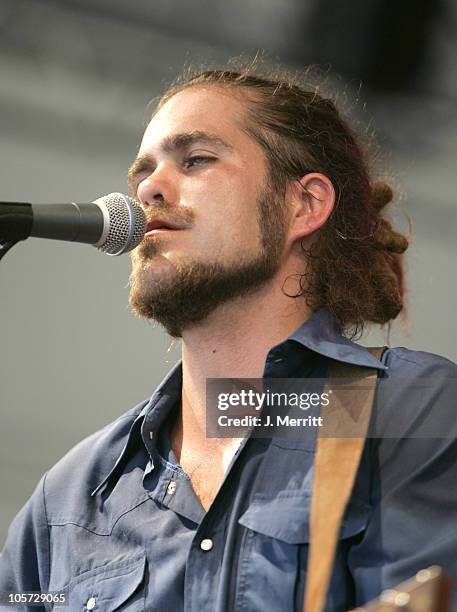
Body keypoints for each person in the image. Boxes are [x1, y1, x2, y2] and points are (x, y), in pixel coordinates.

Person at [1, 65, 457, 612]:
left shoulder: (414, 408)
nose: (148, 187)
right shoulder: (71, 495)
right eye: (141, 174)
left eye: (195, 159)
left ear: (305, 204)